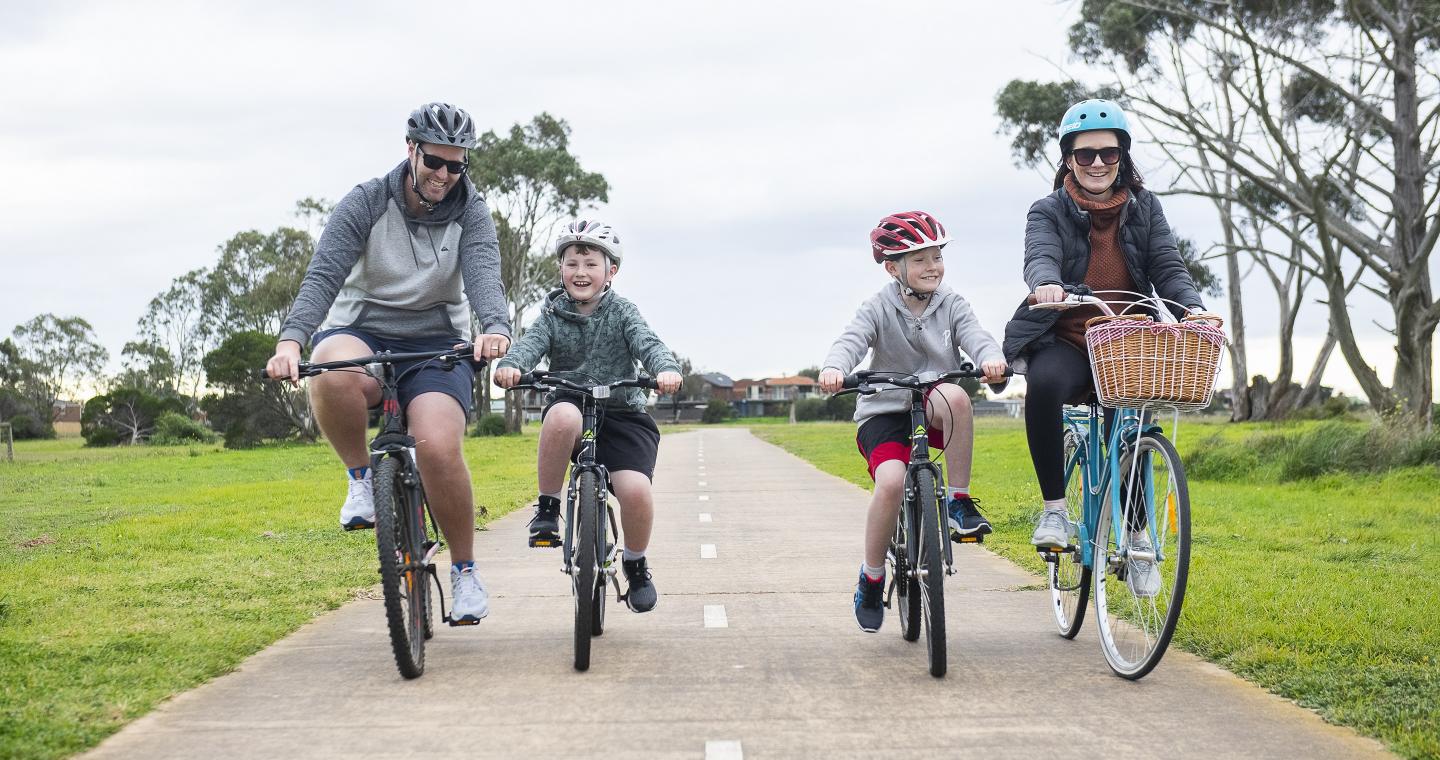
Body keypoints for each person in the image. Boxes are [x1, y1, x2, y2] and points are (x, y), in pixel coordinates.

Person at [265, 102, 511, 625]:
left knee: (439, 447)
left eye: (456, 165)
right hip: (364, 328)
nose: (444, 175)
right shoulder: (367, 200)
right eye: (435, 162)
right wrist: (291, 341)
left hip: (437, 339)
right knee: (330, 370)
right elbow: (323, 275)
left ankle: (465, 572)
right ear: (411, 150)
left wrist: (494, 328)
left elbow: (485, 274)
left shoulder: (472, 212)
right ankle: (361, 479)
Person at [1001, 99, 1219, 596]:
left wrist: (1192, 310)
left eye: (1108, 153)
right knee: (1046, 382)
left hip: (1129, 343)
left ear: (1122, 156)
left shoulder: (1146, 209)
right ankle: (1055, 510)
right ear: (1067, 160)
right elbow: (1041, 256)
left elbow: (1168, 266)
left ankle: (1138, 539)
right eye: (1085, 155)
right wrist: (1048, 286)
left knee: (1135, 430)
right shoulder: (1048, 210)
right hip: (1073, 339)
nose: (1097, 163)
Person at [818, 211, 1007, 633]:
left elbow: (976, 335)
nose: (932, 267)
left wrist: (990, 358)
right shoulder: (878, 307)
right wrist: (834, 368)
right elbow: (851, 340)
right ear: (892, 268)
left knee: (957, 394)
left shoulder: (952, 303)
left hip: (934, 403)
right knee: (889, 482)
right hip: (884, 411)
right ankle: (871, 577)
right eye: (919, 260)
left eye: (936, 256)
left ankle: (958, 502)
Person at [493, 220, 683, 613]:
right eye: (572, 263)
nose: (581, 272)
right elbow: (529, 346)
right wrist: (511, 364)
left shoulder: (623, 312)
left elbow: (650, 345)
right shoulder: (551, 315)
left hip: (623, 412)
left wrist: (666, 370)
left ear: (610, 271)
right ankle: (547, 509)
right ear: (560, 269)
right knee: (561, 417)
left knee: (635, 491)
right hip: (573, 405)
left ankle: (635, 562)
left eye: (591, 263)